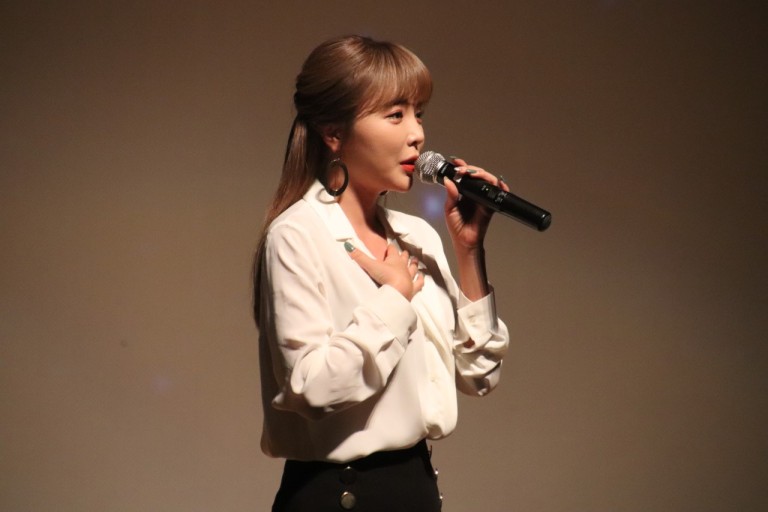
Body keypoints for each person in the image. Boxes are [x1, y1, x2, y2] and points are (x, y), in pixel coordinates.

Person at [253, 35, 510, 512]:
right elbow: (311, 388)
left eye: (419, 114)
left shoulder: (416, 236)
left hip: (414, 489)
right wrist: (394, 298)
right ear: (334, 133)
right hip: (340, 495)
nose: (417, 134)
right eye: (395, 115)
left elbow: (479, 375)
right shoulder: (297, 235)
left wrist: (469, 250)